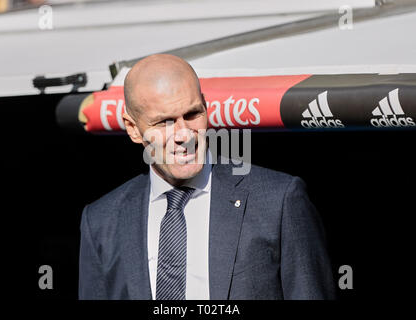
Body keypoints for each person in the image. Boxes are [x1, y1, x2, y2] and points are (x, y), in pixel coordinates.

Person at [78, 54, 336, 300]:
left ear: (206, 106)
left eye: (192, 115)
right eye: (164, 122)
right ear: (133, 128)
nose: (184, 135)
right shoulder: (102, 221)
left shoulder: (278, 201)